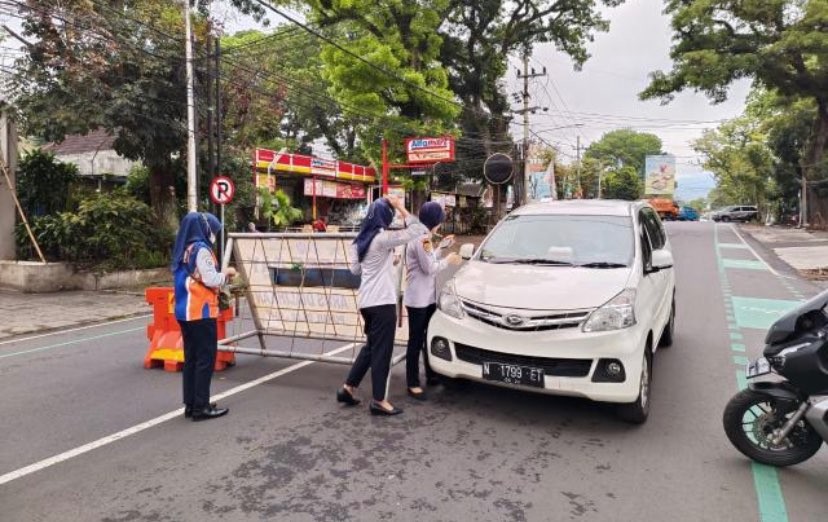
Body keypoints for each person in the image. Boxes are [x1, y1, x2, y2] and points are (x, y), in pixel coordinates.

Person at [337, 194, 428, 416]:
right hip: (382, 302)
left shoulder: (359, 241)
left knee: (371, 348)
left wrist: (387, 262)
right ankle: (379, 400)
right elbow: (419, 230)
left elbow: (356, 270)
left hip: (367, 302)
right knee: (382, 352)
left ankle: (348, 388)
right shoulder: (382, 238)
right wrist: (401, 207)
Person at [171, 212, 236, 421]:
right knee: (205, 359)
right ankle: (201, 407)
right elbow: (212, 280)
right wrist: (227, 274)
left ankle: (191, 404)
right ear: (205, 229)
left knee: (191, 358)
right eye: (213, 230)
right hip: (201, 311)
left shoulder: (185, 249)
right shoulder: (201, 250)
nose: (214, 234)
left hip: (184, 311)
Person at [404, 202, 461, 400]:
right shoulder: (420, 238)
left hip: (425, 298)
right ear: (434, 221)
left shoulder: (423, 237)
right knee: (415, 341)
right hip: (418, 299)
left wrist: (442, 248)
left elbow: (428, 259)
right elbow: (429, 268)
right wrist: (449, 260)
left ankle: (430, 374)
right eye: (439, 221)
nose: (439, 225)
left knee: (427, 337)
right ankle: (412, 382)